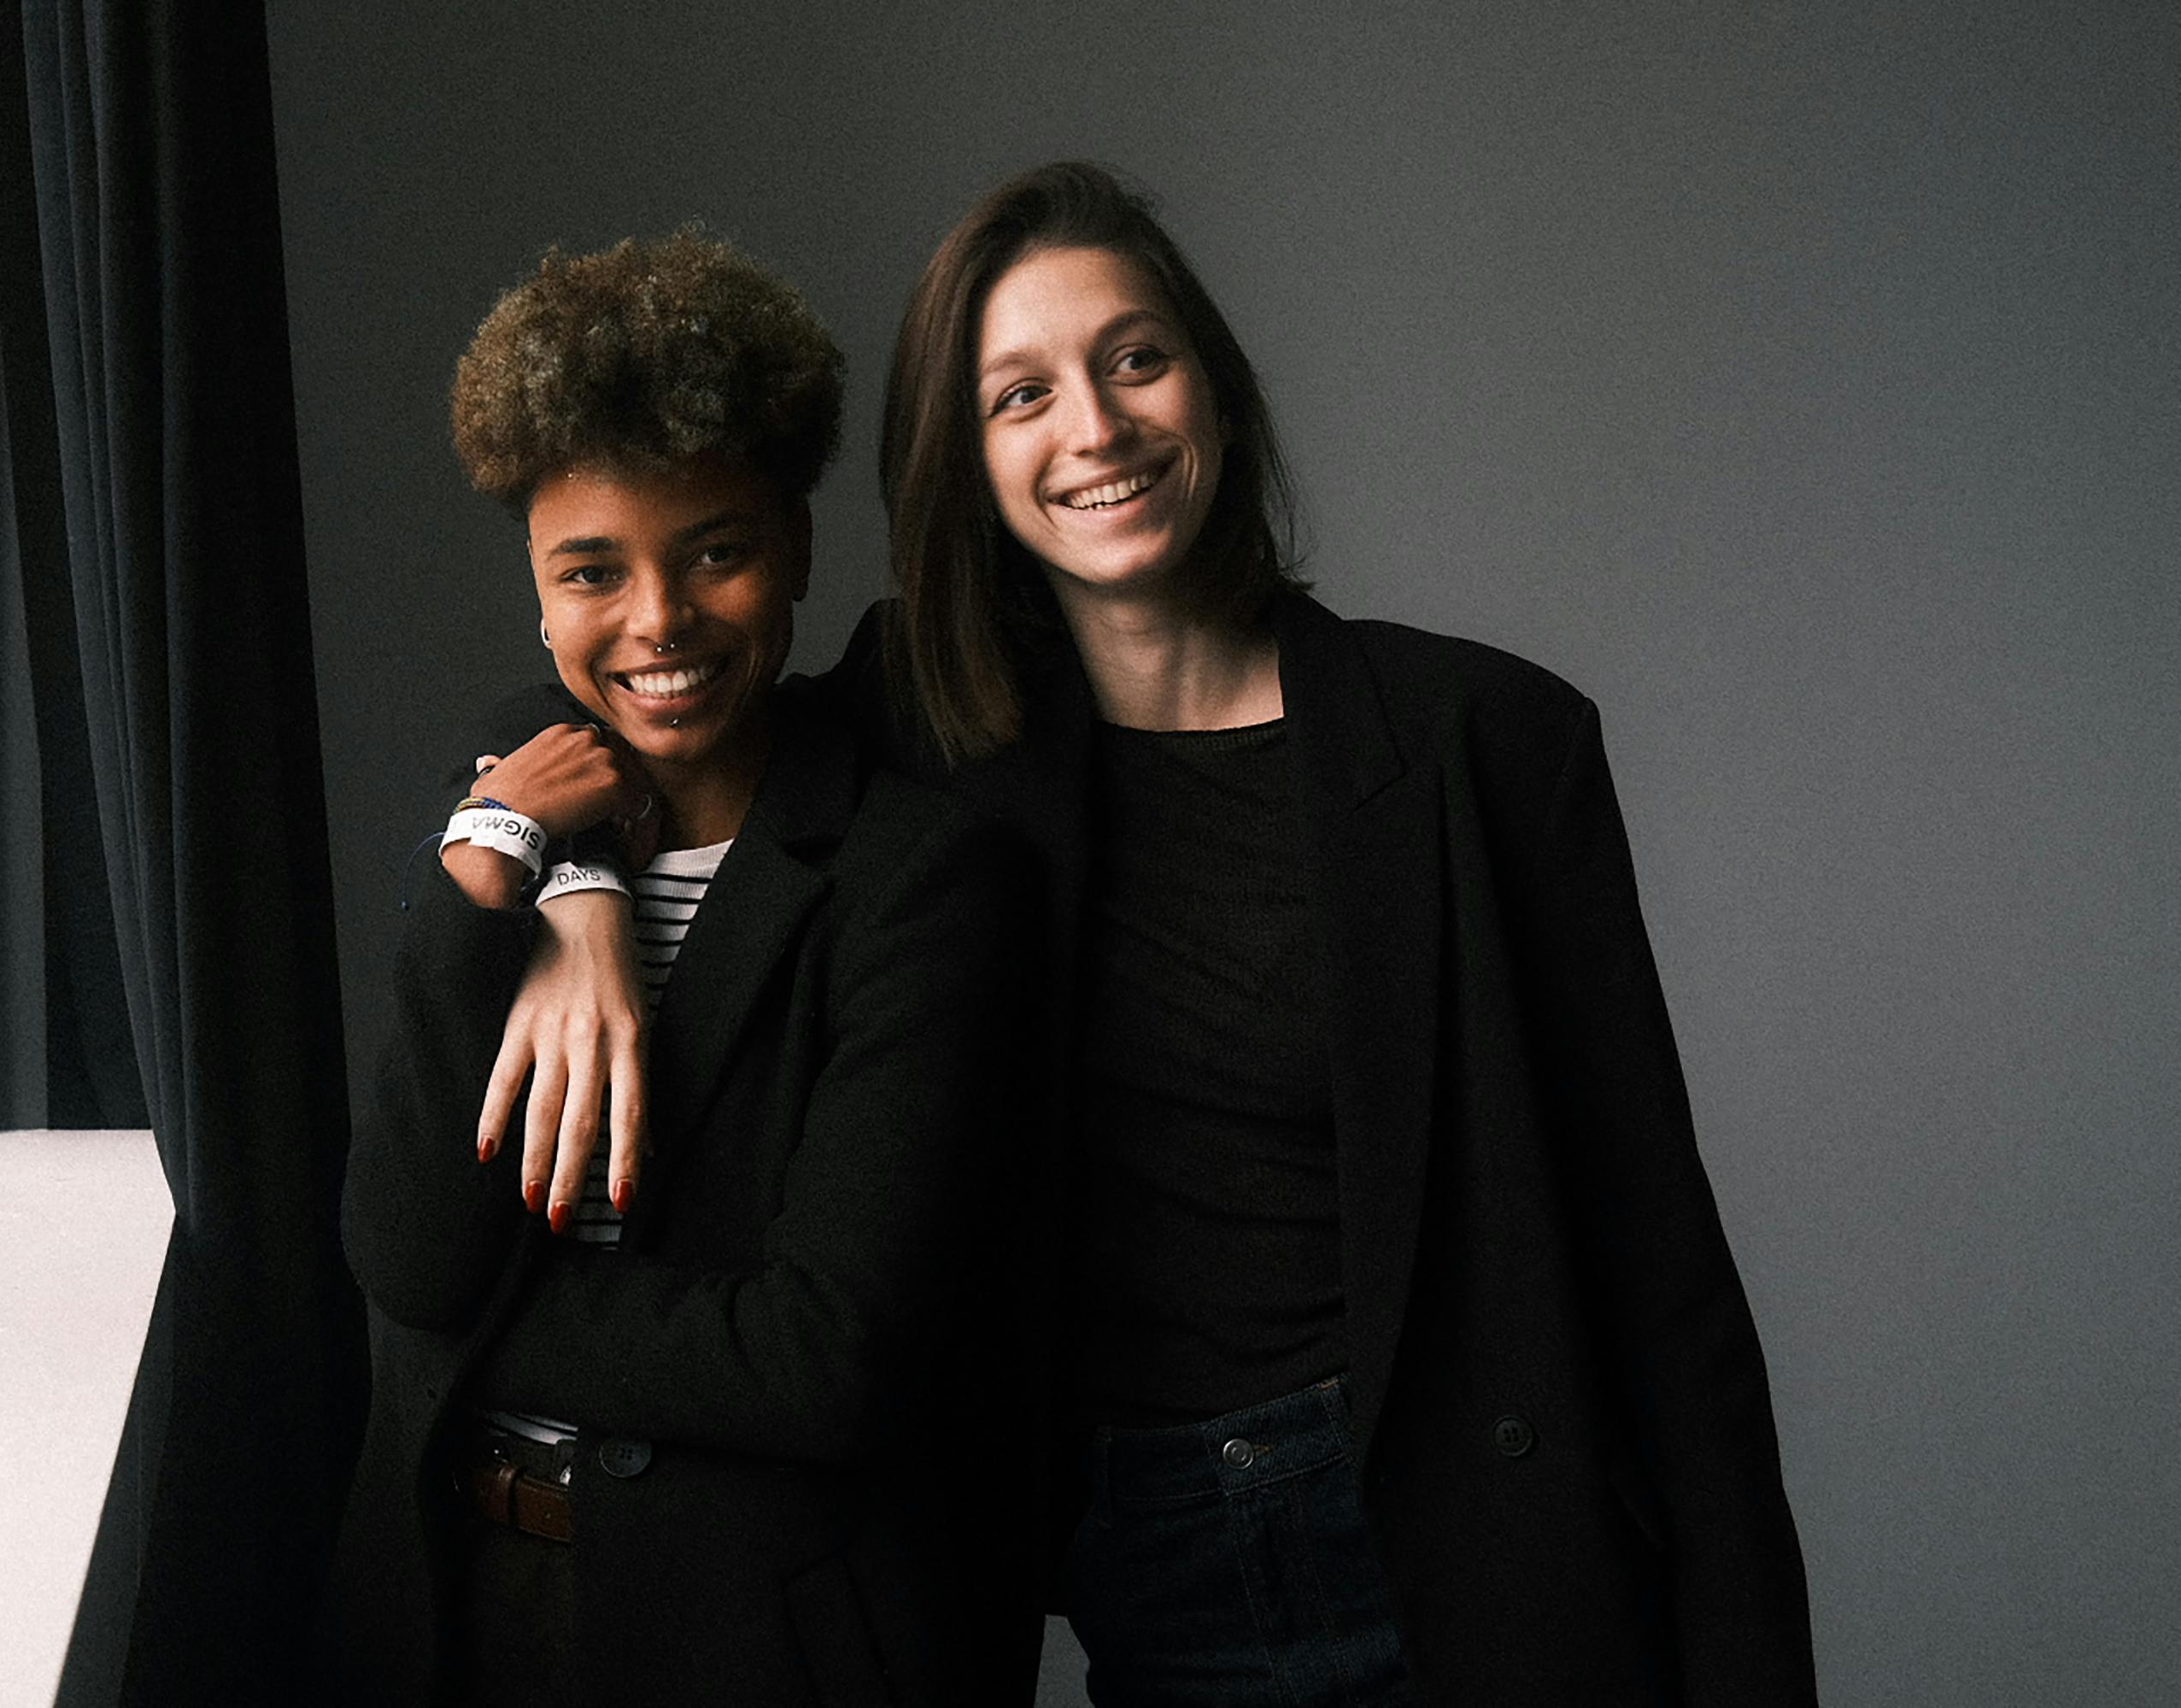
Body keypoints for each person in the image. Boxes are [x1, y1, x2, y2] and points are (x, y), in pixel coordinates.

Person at [483, 165, 1817, 1705]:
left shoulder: (1485, 742)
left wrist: (1751, 1668)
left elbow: (1663, 1267)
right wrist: (573, 887)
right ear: (964, 461)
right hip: (1153, 1552)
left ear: (1212, 388)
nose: (1095, 430)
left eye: (1134, 360)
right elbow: (630, 680)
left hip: (1482, 1541)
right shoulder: (918, 744)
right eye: (1020, 395)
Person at [315, 229, 1046, 1707]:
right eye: (594, 572)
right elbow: (397, 1234)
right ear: (539, 593)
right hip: (451, 1603)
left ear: (792, 555)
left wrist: (478, 1307)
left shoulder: (916, 880)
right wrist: (501, 887)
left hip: (755, 1636)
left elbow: (820, 1357)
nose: (657, 621)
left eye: (715, 551)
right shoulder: (508, 838)